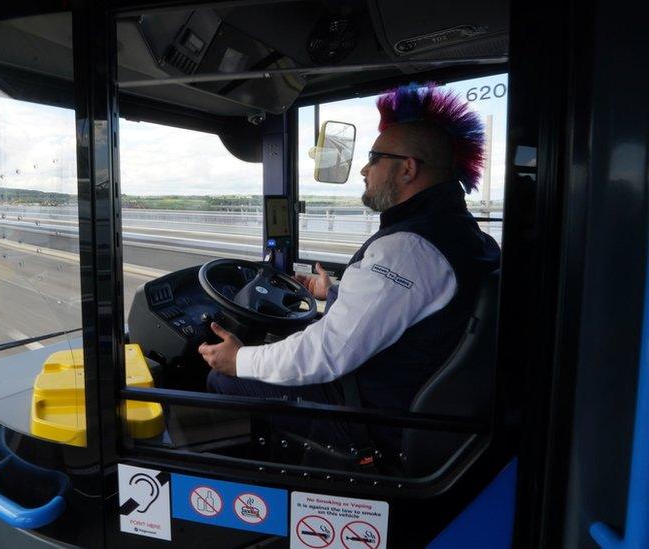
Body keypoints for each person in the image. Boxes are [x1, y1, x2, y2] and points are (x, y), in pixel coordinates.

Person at [197, 83, 501, 454]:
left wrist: (239, 359)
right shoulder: (466, 237)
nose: (363, 169)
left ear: (407, 169)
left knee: (223, 380)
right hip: (421, 406)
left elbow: (326, 354)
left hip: (375, 421)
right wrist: (336, 292)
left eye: (375, 158)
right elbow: (412, 310)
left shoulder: (406, 248)